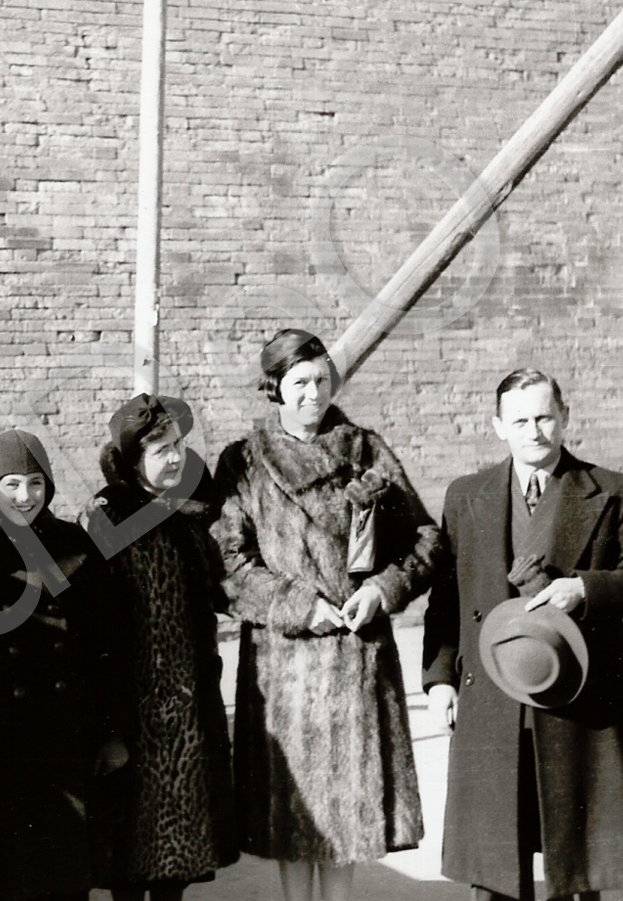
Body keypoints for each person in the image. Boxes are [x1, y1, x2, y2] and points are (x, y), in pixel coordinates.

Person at [422, 368, 623, 901]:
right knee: (495, 862)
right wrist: (440, 679)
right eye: (519, 421)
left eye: (543, 418)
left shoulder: (613, 491)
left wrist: (585, 588)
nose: (533, 432)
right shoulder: (466, 496)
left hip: (579, 696)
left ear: (565, 417)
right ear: (498, 426)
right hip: (492, 698)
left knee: (575, 863)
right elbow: (446, 600)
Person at [211, 329, 440, 901]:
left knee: (348, 810)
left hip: (356, 655)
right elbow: (227, 563)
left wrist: (383, 590)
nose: (313, 394)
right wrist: (296, 605)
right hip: (283, 665)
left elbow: (425, 540)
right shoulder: (245, 461)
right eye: (299, 383)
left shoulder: (366, 451)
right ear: (274, 388)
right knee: (294, 813)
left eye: (321, 381)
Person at [0, 429, 130, 901]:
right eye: (12, 484)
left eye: (36, 483)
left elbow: (107, 648)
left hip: (67, 738)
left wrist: (114, 731)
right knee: (5, 879)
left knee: (67, 877)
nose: (25, 496)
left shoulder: (79, 548)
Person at [81, 394, 239, 901]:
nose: (175, 458)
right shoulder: (107, 518)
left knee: (176, 862)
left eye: (178, 446)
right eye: (161, 450)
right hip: (134, 713)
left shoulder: (186, 514)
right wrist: (110, 727)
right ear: (132, 461)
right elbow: (96, 631)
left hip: (186, 713)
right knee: (130, 859)